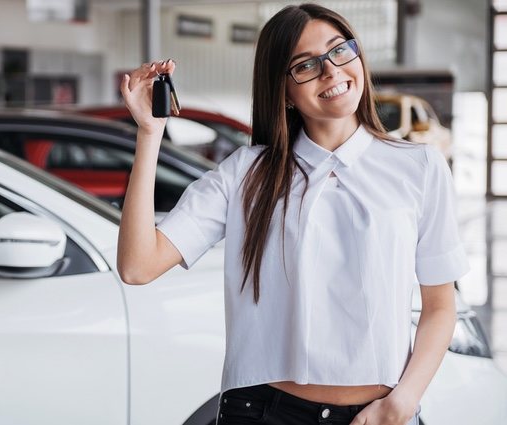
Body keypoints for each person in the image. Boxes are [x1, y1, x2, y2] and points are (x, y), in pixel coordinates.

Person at [117, 3, 469, 425]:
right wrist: (149, 134)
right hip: (262, 413)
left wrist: (402, 403)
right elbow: (138, 265)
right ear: (282, 90)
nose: (332, 71)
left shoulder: (420, 167)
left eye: (340, 51)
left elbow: (439, 306)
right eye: (306, 65)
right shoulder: (246, 173)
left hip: (380, 415)